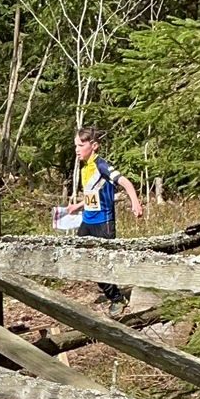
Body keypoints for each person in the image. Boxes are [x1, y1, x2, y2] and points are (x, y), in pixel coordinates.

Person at [65, 126, 143, 316]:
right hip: (87, 221)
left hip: (103, 223)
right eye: (75, 146)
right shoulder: (85, 166)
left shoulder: (101, 166)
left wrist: (135, 202)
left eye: (80, 145)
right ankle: (110, 290)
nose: (77, 150)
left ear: (94, 146)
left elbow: (125, 182)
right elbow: (93, 195)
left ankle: (117, 298)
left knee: (102, 263)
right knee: (82, 257)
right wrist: (78, 206)